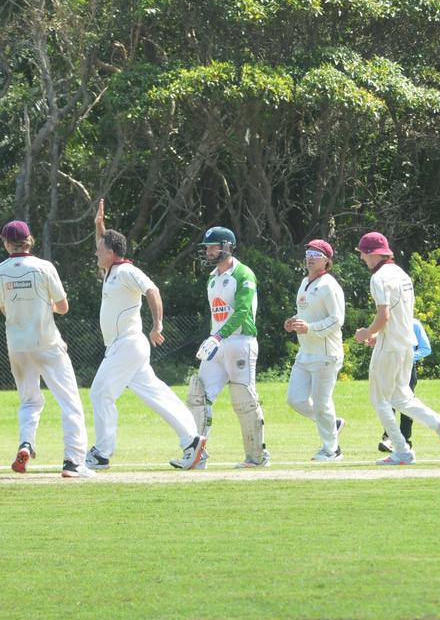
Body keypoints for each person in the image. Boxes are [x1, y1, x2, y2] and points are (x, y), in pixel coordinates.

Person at [86, 200, 206, 471]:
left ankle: (101, 454)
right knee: (157, 394)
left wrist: (157, 325)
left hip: (127, 345)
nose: (96, 253)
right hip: (128, 348)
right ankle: (193, 442)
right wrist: (98, 225)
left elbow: (152, 290)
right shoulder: (110, 271)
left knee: (100, 393)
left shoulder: (127, 271)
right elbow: (103, 243)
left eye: (99, 250)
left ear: (112, 252)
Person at [0, 219, 90, 478]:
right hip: (47, 344)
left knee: (29, 402)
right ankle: (73, 462)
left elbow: (4, 309)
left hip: (18, 347)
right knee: (70, 403)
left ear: (6, 243)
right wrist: (47, 307)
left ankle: (26, 444)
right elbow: (63, 306)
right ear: (29, 240)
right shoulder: (44, 267)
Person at [352, 231, 440, 465]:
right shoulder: (402, 274)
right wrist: (378, 333)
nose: (362, 259)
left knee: (379, 400)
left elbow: (384, 314)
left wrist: (367, 333)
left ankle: (401, 450)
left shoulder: (378, 278)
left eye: (363, 254)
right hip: (406, 346)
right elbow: (397, 316)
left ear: (373, 254)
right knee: (401, 397)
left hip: (389, 348)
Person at [187, 226, 268, 468]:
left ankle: (256, 457)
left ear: (228, 247)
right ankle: (197, 455)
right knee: (198, 396)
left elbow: (242, 312)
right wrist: (215, 337)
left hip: (240, 341)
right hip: (217, 343)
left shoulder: (244, 274)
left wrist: (219, 336)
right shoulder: (212, 278)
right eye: (207, 247)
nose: (209, 251)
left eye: (213, 246)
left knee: (243, 399)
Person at [284, 239, 346, 461]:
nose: (311, 257)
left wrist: (310, 328)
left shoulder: (329, 285)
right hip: (305, 353)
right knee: (295, 399)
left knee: (322, 403)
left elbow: (337, 320)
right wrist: (294, 321)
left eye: (317, 254)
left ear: (327, 261)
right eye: (308, 252)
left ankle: (332, 450)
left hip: (326, 354)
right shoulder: (304, 282)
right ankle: (332, 423)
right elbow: (306, 312)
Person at [378, 318, 432, 453]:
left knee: (406, 403)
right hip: (390, 366)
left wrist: (407, 357)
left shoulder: (414, 324)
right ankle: (389, 437)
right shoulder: (388, 323)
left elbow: (426, 348)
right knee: (388, 402)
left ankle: (406, 440)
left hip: (407, 368)